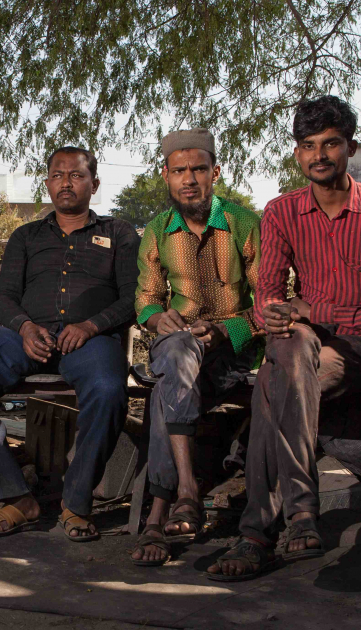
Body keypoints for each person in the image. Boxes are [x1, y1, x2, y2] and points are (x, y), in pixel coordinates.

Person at [208, 96, 361, 581]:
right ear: (297, 153)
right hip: (301, 339)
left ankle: (258, 532)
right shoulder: (281, 211)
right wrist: (276, 314)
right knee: (285, 349)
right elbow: (265, 295)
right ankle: (299, 515)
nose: (318, 154)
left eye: (330, 143)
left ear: (351, 147)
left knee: (272, 385)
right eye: (308, 145)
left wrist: (319, 311)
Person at [0, 147, 140, 541]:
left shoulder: (118, 233)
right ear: (48, 182)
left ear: (94, 184)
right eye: (57, 175)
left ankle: (76, 502)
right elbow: (2, 296)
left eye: (76, 175)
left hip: (89, 339)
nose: (66, 182)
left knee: (107, 390)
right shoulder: (26, 235)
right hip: (24, 335)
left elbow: (133, 296)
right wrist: (23, 327)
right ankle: (15, 496)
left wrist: (90, 326)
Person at [130, 128, 262, 566]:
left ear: (215, 173)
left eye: (199, 170)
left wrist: (228, 331)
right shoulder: (156, 231)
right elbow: (146, 299)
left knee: (165, 391)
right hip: (181, 347)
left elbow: (269, 303)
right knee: (177, 349)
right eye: (180, 171)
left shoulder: (245, 224)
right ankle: (187, 492)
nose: (189, 179)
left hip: (234, 353)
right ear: (165, 176)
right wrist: (156, 317)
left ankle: (159, 514)